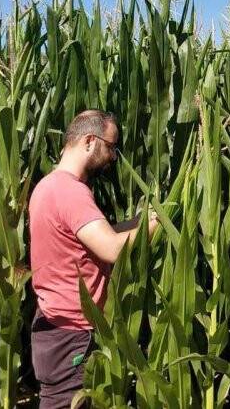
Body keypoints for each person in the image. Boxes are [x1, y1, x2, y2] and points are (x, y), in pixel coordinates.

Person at [28, 109, 160, 408]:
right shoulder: (72, 193)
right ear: (89, 141)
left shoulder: (48, 186)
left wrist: (139, 221)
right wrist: (155, 226)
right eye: (111, 147)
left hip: (53, 324)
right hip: (72, 331)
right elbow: (111, 249)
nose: (113, 157)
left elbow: (89, 236)